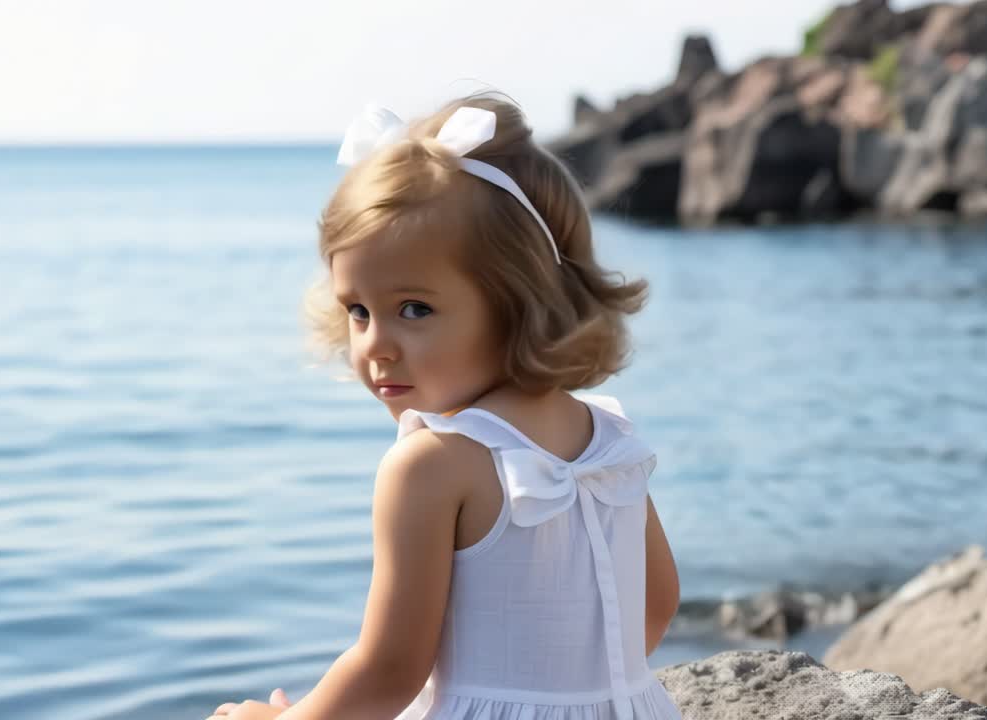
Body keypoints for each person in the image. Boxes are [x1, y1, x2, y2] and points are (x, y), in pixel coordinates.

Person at [209, 91, 682, 720]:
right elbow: (656, 603)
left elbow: (388, 672)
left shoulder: (432, 464)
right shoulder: (609, 435)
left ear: (517, 302)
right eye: (359, 310)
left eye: (414, 310)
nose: (376, 344)